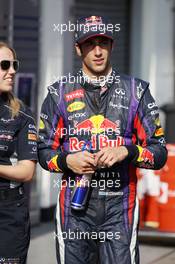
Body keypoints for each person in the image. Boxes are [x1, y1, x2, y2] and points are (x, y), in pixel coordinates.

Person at [38, 15, 167, 264]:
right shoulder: (59, 93)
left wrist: (128, 152)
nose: (98, 51)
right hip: (74, 211)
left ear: (112, 46)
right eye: (90, 44)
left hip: (120, 210)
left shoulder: (136, 92)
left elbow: (158, 153)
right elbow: (43, 152)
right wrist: (67, 161)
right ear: (78, 49)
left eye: (103, 43)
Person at [0, 42, 37, 264]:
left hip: (8, 213)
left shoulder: (22, 114)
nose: (12, 71)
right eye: (5, 65)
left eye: (14, 65)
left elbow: (26, 171)